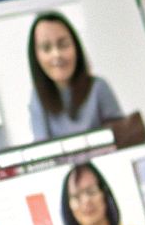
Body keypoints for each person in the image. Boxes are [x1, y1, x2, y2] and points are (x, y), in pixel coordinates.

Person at [27, 12, 124, 140]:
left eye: (63, 45)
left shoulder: (99, 87)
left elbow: (122, 138)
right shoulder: (37, 98)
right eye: (46, 48)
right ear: (36, 57)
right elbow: (41, 151)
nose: (56, 54)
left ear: (76, 47)